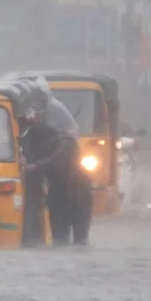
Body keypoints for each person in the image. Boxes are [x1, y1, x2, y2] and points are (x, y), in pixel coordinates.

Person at [20, 80, 91, 246]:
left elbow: (57, 160)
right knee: (59, 239)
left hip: (76, 192)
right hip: (57, 192)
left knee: (79, 241)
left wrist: (34, 165)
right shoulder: (41, 134)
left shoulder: (67, 141)